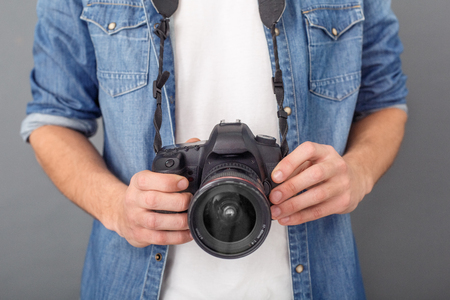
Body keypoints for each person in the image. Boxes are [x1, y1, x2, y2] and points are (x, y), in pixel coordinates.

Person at [21, 0, 407, 299]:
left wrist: (358, 172)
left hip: (317, 282)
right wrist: (117, 208)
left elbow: (385, 103)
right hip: (135, 283)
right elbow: (53, 120)